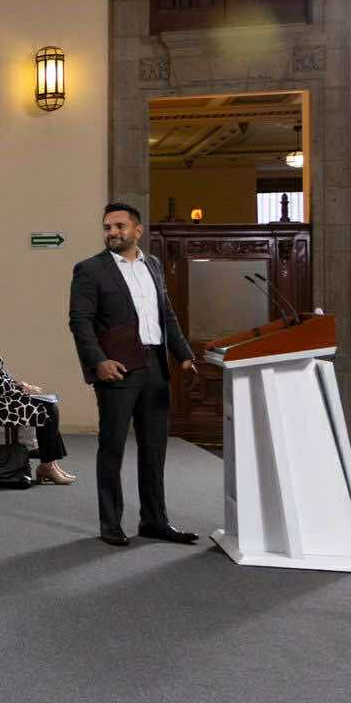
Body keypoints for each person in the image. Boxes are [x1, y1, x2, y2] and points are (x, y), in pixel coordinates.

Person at [69, 202, 199, 548]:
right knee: (112, 447)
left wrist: (184, 355)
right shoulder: (89, 270)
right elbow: (79, 321)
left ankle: (155, 521)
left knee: (154, 448)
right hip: (118, 368)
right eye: (107, 227)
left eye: (119, 226)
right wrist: (99, 361)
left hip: (156, 366)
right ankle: (110, 523)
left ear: (137, 231)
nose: (112, 232)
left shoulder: (152, 265)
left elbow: (165, 314)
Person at [0, 298, 74, 484]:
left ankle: (51, 464)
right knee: (48, 408)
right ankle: (47, 466)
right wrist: (24, 390)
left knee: (48, 404)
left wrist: (24, 387)